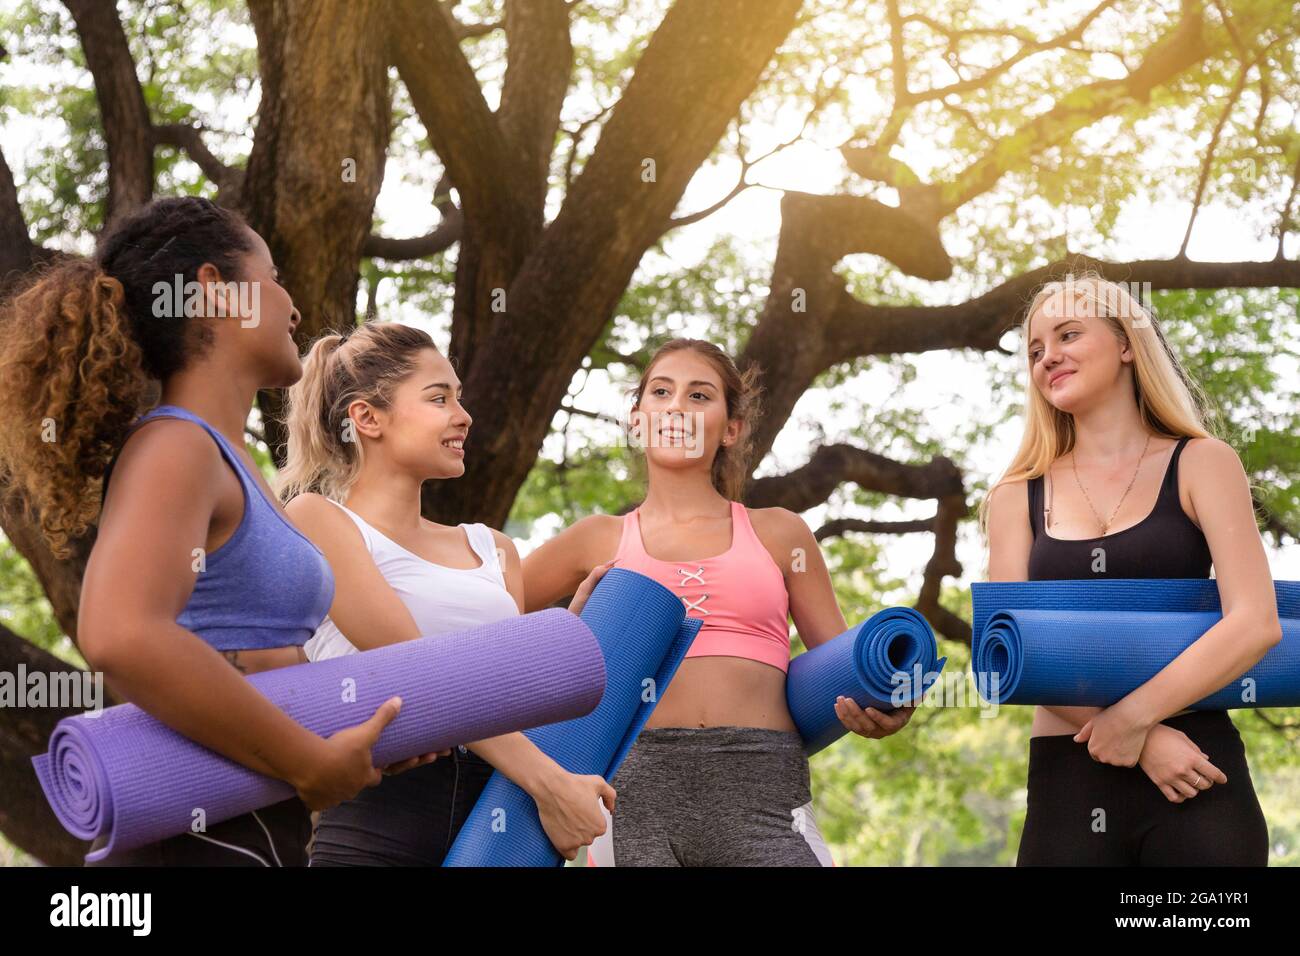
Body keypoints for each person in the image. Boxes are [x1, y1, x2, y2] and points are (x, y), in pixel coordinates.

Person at [0, 196, 428, 866]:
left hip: (253, 830)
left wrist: (356, 737)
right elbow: (122, 632)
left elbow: (252, 654)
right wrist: (308, 761)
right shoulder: (176, 447)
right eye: (274, 276)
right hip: (200, 840)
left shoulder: (231, 462)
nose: (291, 304)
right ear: (213, 291)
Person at [523, 337, 916, 866]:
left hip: (763, 788)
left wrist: (892, 703)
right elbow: (488, 629)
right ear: (638, 419)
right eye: (661, 392)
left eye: (700, 395)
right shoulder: (595, 538)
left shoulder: (780, 533)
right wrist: (566, 637)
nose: (677, 406)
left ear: (730, 428)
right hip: (630, 793)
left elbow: (846, 668)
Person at [278, 321, 615, 865]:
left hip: (502, 815)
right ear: (367, 418)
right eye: (439, 398)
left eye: (460, 398)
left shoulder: (493, 548)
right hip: (383, 818)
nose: (464, 416)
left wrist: (562, 648)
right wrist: (551, 785)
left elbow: (511, 703)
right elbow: (414, 667)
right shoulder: (318, 521)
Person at [981, 272, 1280, 866]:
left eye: (1068, 335)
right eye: (1035, 350)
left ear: (1125, 344)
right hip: (1069, 777)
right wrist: (1139, 740)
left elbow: (1255, 622)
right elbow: (1003, 649)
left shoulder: (1203, 462)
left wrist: (1139, 722)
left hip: (1195, 767)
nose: (1049, 358)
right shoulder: (1015, 494)